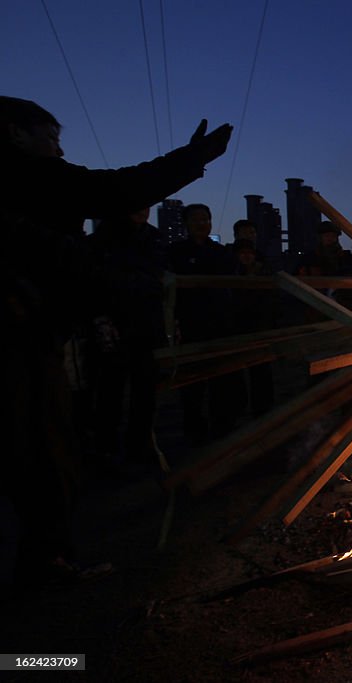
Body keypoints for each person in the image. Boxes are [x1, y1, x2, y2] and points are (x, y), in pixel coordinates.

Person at [0, 96, 231, 587]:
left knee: (38, 448)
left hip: (34, 331)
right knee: (44, 450)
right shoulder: (23, 175)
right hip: (19, 340)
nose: (58, 152)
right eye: (51, 139)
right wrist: (194, 158)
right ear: (16, 134)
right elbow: (117, 188)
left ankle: (42, 557)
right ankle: (45, 566)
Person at [88, 207, 166, 467]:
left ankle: (139, 446)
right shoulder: (104, 238)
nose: (142, 209)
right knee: (110, 390)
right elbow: (96, 278)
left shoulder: (154, 238)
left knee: (145, 393)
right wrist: (102, 318)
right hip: (116, 324)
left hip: (146, 324)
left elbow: (161, 277)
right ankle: (105, 447)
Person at [166, 204, 242, 443]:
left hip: (220, 323)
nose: (202, 224)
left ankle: (222, 428)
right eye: (196, 219)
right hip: (190, 324)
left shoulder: (220, 253)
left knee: (222, 379)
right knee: (193, 382)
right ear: (186, 224)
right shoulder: (175, 253)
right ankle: (194, 431)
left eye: (205, 219)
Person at [231, 238, 275, 415]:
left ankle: (262, 408)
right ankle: (239, 407)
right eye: (242, 253)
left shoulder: (264, 272)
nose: (246, 256)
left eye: (249, 253)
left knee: (261, 370)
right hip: (238, 326)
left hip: (260, 325)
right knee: (237, 371)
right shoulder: (232, 273)